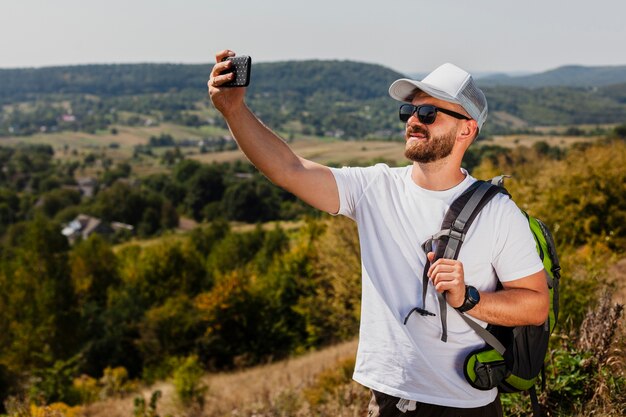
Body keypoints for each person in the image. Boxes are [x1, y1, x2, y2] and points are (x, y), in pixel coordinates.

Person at [208, 49, 549, 417]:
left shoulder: (498, 212)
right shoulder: (375, 188)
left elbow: (535, 304)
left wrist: (470, 299)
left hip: (464, 405)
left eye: (429, 113)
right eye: (410, 111)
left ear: (467, 128)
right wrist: (234, 110)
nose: (414, 120)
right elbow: (289, 169)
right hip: (388, 400)